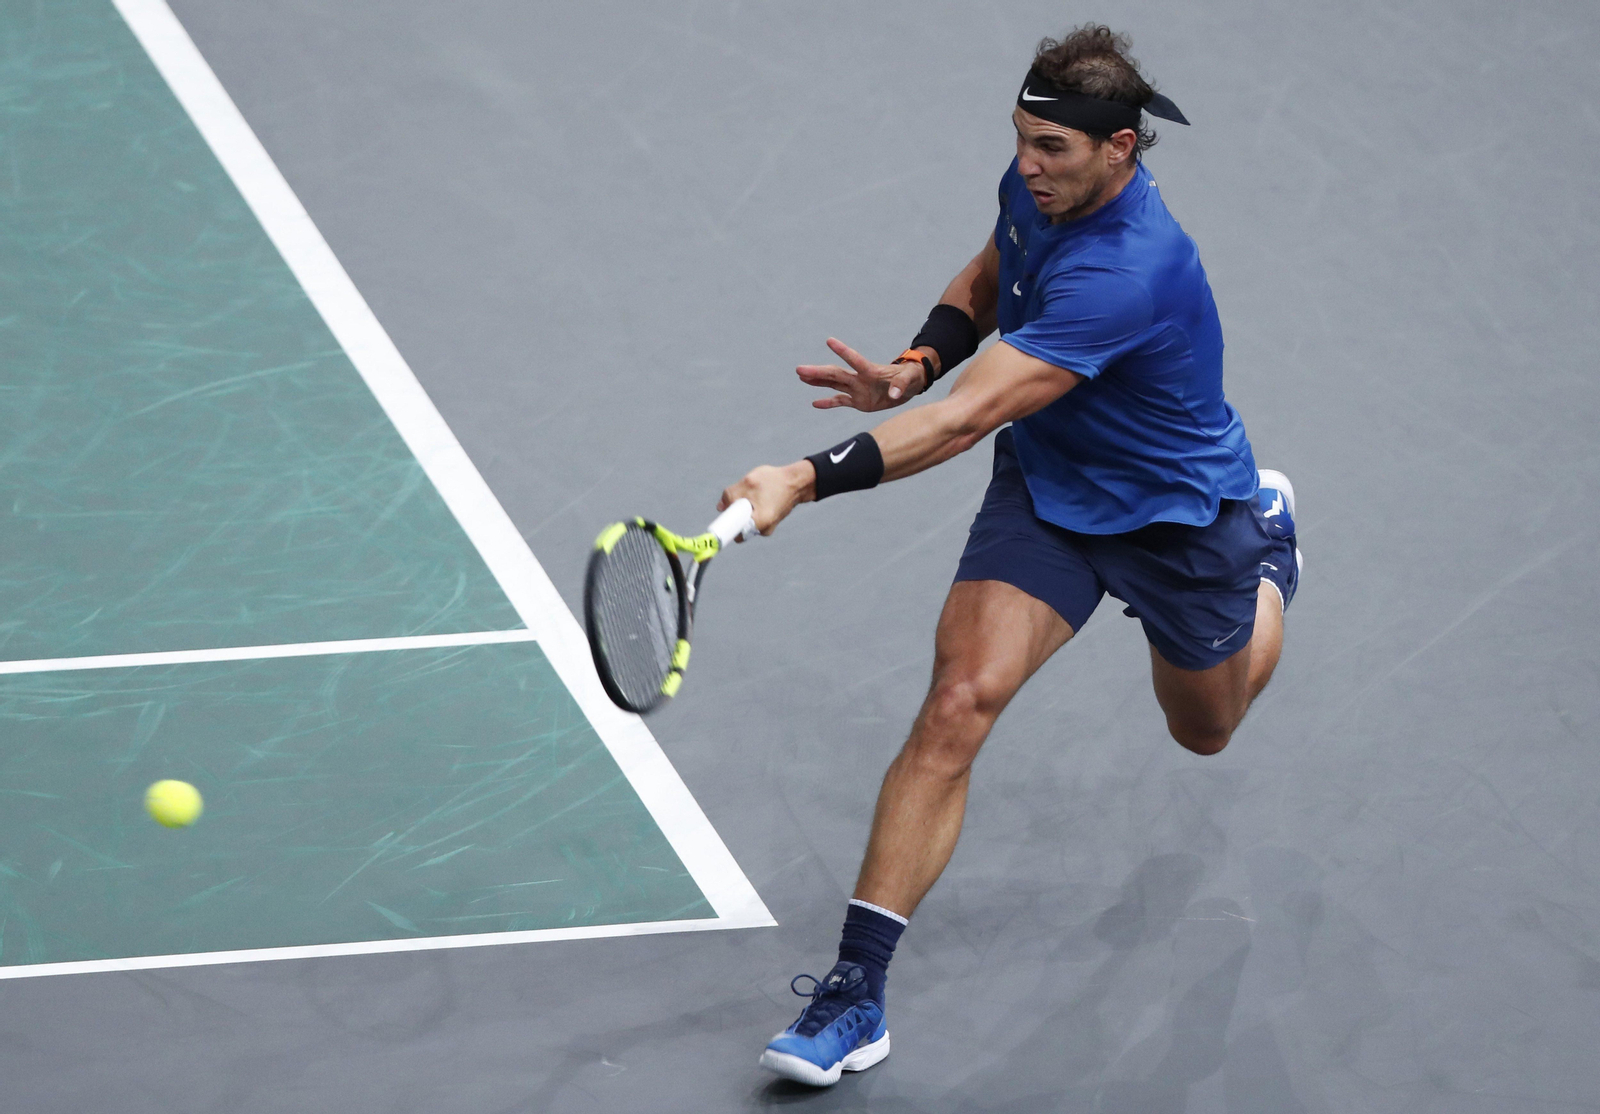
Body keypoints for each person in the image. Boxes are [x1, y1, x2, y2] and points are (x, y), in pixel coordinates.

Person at [719, 25, 1301, 1087]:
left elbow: (960, 425)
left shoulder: (1130, 270)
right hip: (1049, 493)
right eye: (1021, 140)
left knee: (1204, 729)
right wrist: (919, 356)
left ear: (1119, 146)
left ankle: (1269, 557)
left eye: (1053, 150)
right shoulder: (1041, 189)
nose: (1026, 165)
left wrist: (801, 476)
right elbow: (995, 267)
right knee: (956, 705)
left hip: (1178, 520)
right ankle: (855, 995)